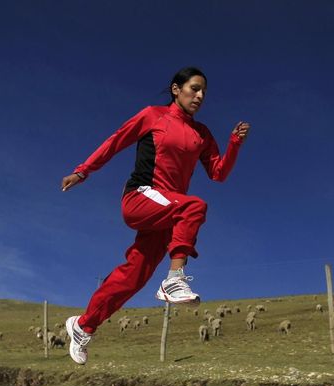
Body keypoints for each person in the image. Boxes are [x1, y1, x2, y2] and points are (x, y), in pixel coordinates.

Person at [60, 66, 250, 364]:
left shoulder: (202, 134)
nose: (200, 96)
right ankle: (175, 278)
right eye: (194, 88)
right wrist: (83, 171)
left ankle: (83, 326)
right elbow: (115, 141)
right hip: (141, 196)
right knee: (194, 206)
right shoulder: (153, 116)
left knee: (133, 276)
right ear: (176, 89)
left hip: (168, 212)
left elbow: (218, 173)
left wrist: (234, 145)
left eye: (204, 92)